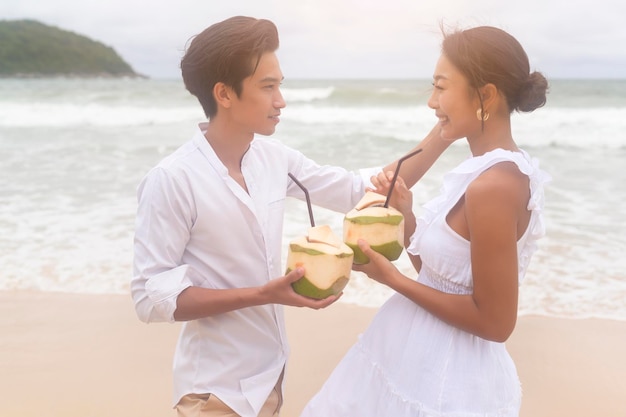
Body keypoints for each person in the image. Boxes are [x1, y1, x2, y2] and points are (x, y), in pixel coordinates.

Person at [131, 16, 450, 417]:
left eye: (279, 85)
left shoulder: (274, 159)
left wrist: (445, 131)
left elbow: (366, 188)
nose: (280, 100)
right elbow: (150, 297)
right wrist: (265, 294)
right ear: (224, 94)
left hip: (270, 383)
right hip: (212, 394)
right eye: (268, 87)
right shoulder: (173, 179)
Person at [300, 25, 551, 417]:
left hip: (446, 379)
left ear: (485, 95)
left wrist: (392, 280)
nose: (432, 102)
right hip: (411, 352)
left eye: (441, 87)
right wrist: (407, 216)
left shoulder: (495, 186)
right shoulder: (477, 172)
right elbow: (442, 277)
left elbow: (496, 322)